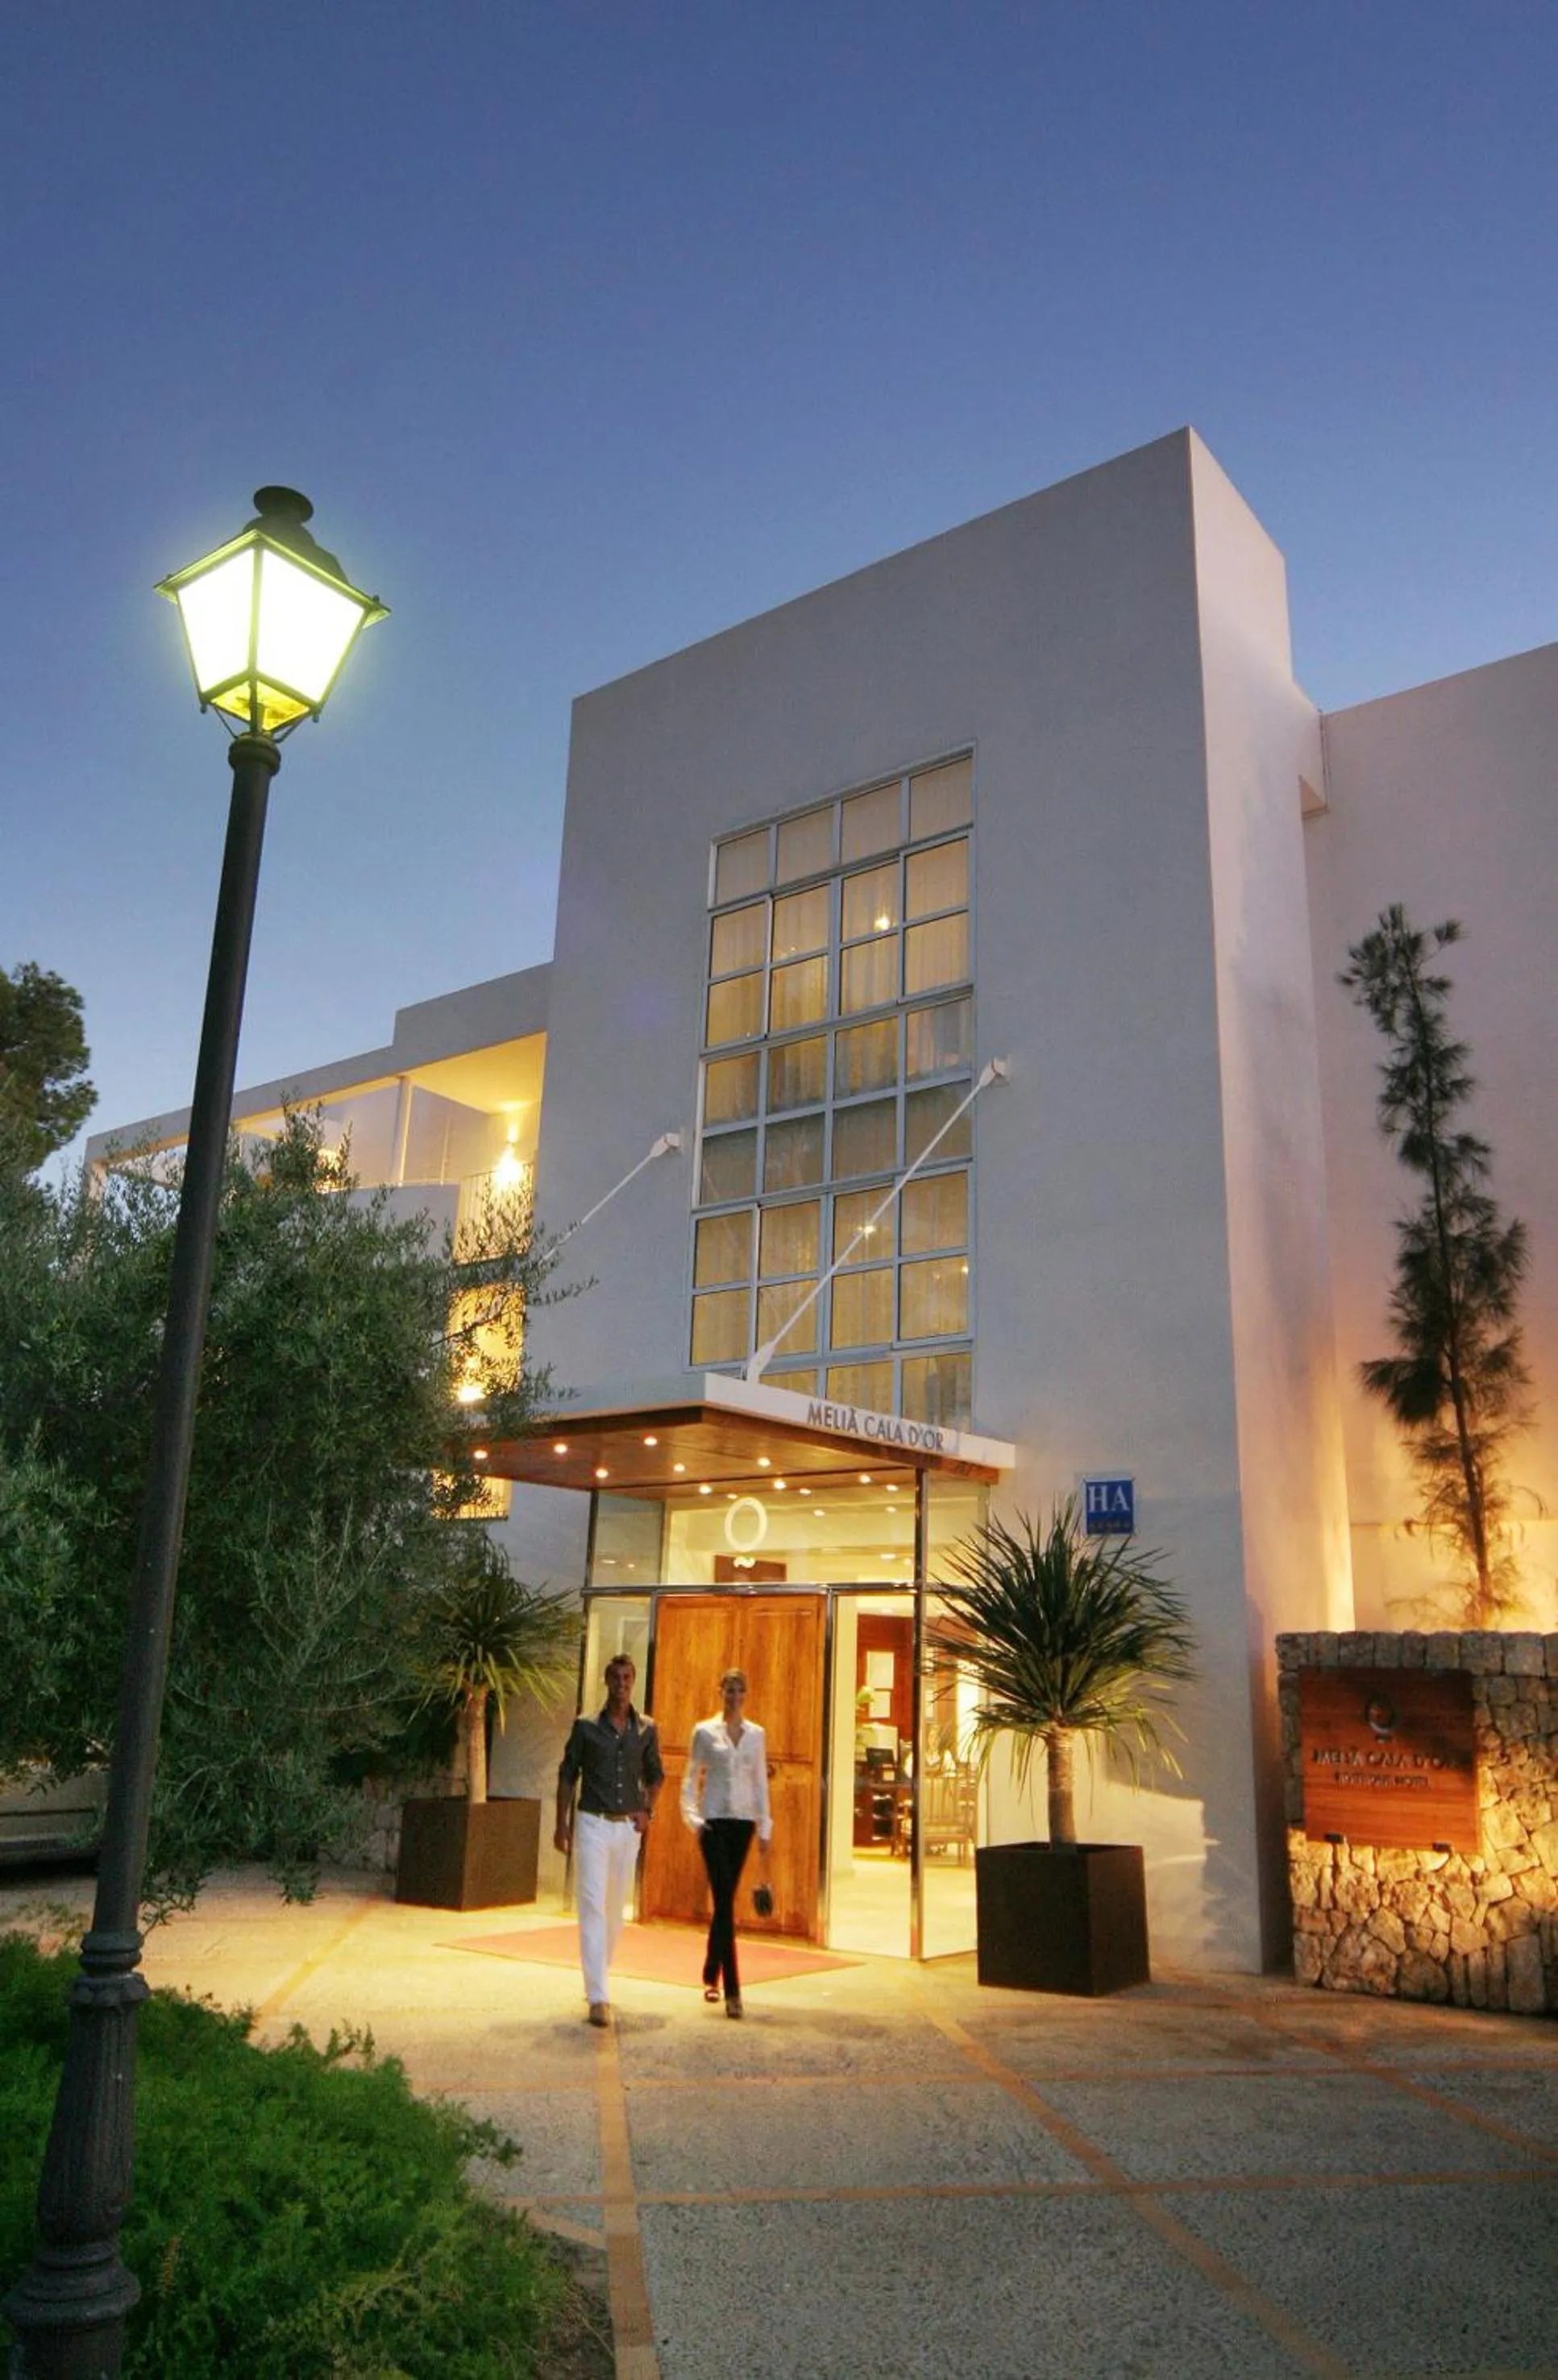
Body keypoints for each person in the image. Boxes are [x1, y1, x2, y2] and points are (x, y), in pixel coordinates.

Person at [555, 1654, 663, 2029]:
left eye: (627, 1677)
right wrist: (561, 1824)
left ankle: (599, 1973)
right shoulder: (586, 1727)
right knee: (592, 1906)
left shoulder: (646, 1729)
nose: (621, 1684)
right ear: (606, 1680)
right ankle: (598, 1995)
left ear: (634, 1682)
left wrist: (648, 1811)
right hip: (593, 1824)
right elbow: (567, 1775)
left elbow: (656, 1775)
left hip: (626, 1829)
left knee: (615, 1912)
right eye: (615, 1677)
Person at [680, 1668, 773, 2018]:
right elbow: (690, 1777)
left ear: (746, 1694)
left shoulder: (756, 1735)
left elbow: (760, 1782)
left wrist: (764, 1827)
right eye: (729, 1690)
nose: (734, 1697)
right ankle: (733, 1990)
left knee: (724, 1900)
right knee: (723, 1898)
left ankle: (710, 1973)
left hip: (743, 1822)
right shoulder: (704, 1732)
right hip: (714, 1822)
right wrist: (694, 1819)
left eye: (740, 1691)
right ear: (720, 1691)